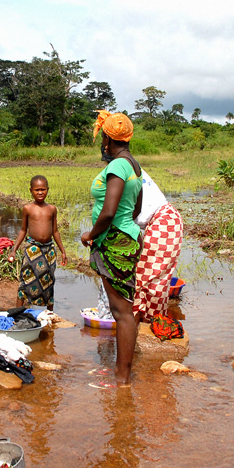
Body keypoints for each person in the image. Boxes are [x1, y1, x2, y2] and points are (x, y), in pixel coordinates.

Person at [80, 110, 143, 387]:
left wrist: (90, 235)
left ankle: (122, 377)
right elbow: (136, 208)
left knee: (122, 312)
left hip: (114, 240)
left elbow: (108, 212)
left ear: (107, 138)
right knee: (123, 309)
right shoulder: (134, 165)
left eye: (102, 138)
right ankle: (121, 371)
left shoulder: (118, 166)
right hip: (125, 236)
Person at [7, 175, 67, 311]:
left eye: (43, 189)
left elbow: (55, 231)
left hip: (48, 250)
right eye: (37, 190)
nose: (40, 192)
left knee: (49, 280)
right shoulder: (27, 208)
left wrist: (63, 251)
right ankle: (18, 312)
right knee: (26, 279)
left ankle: (50, 313)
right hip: (33, 249)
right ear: (31, 191)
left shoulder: (52, 209)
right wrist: (13, 250)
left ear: (48, 190)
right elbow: (23, 230)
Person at [131, 167, 183, 324]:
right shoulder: (130, 167)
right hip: (164, 221)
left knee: (148, 281)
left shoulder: (122, 170)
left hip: (163, 222)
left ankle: (146, 325)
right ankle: (145, 323)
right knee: (148, 279)